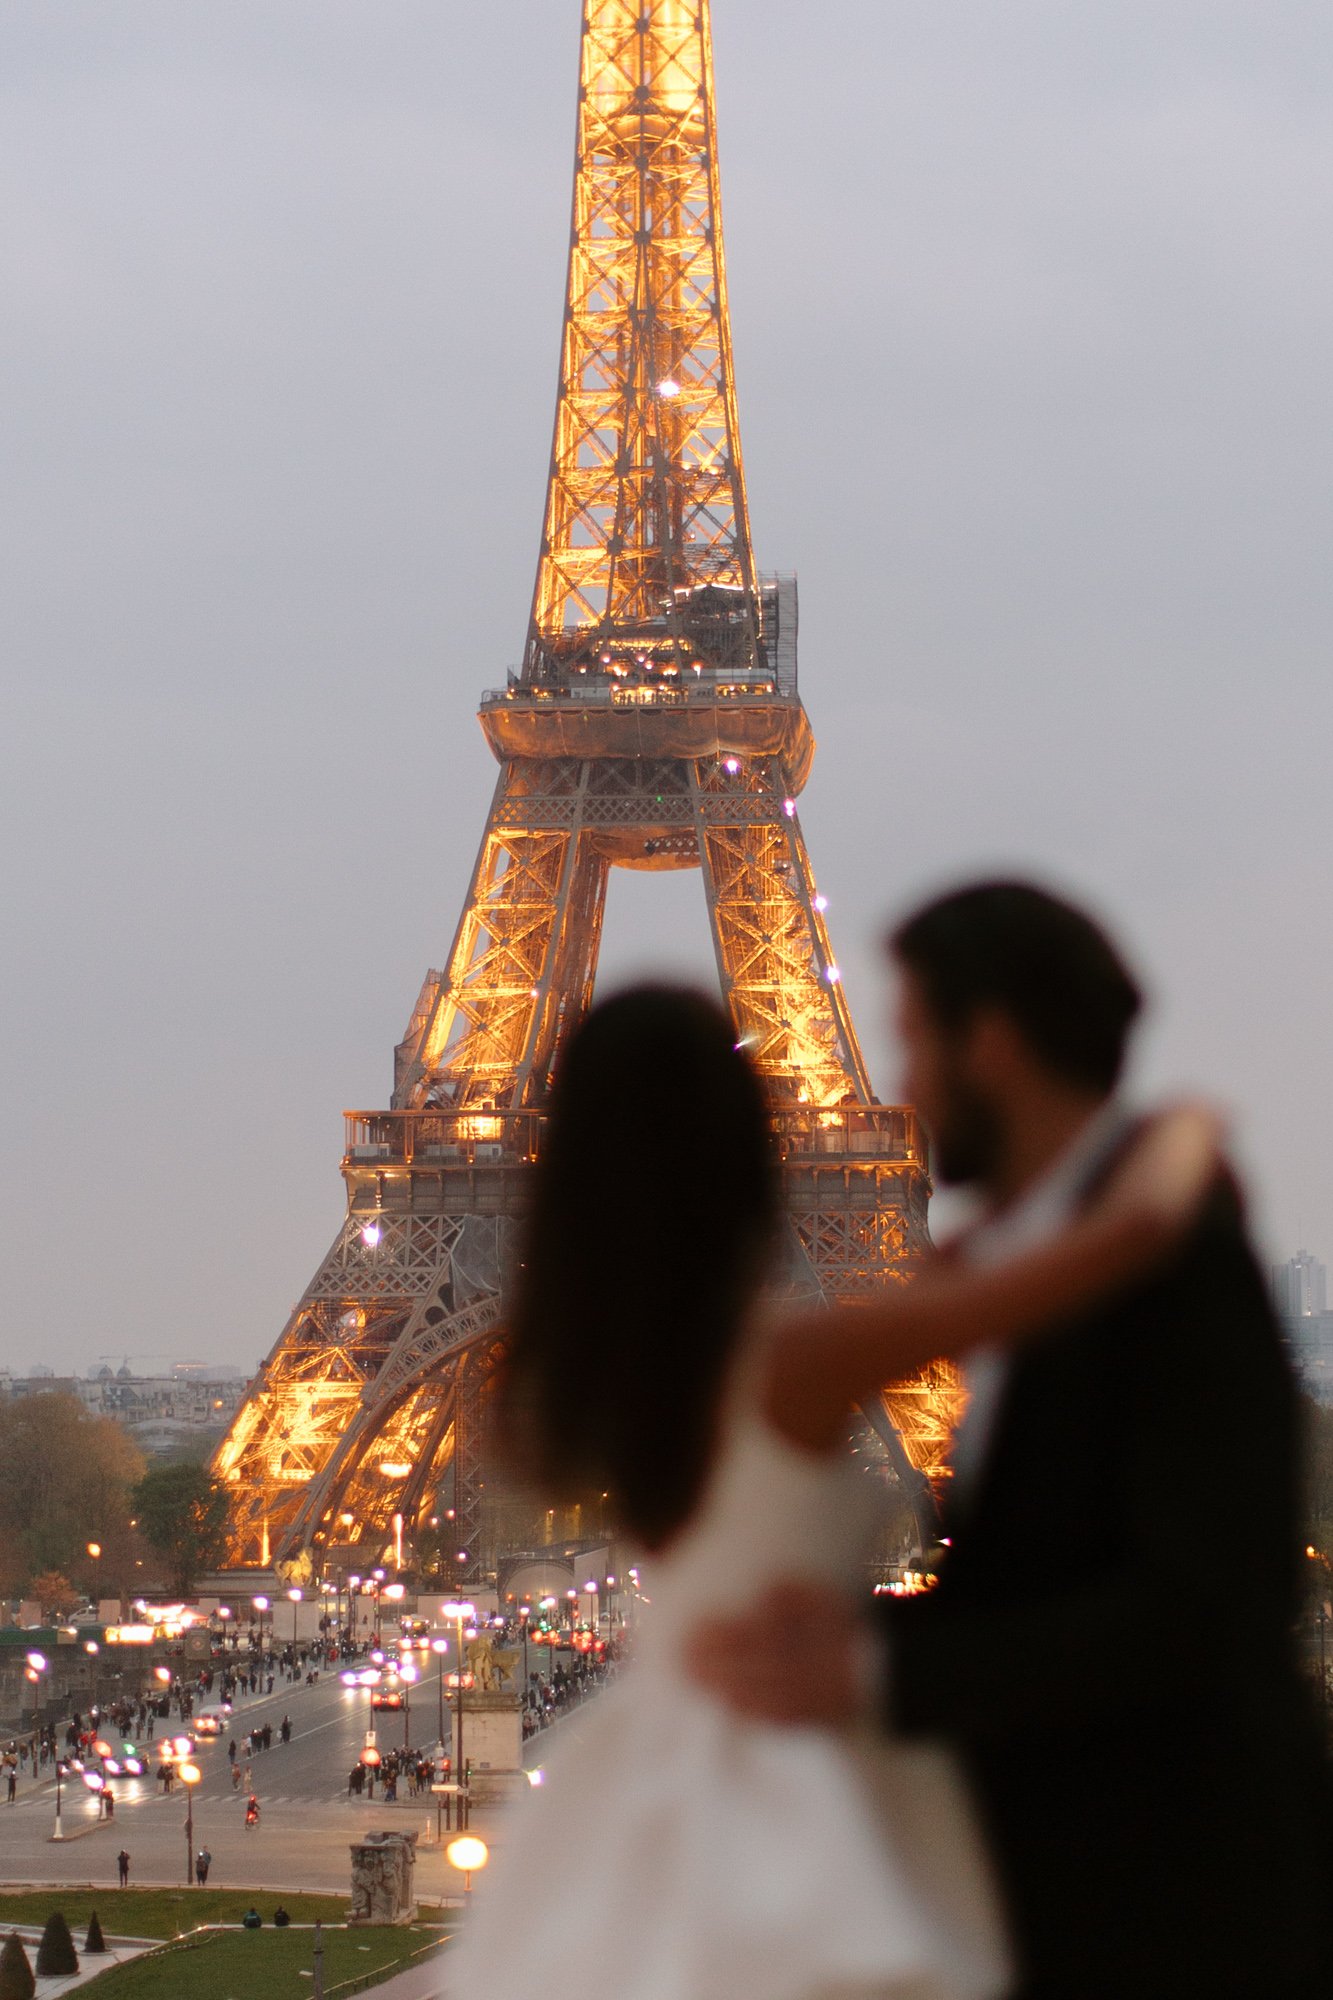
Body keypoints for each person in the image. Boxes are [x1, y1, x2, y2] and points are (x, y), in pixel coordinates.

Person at [448, 983, 1221, 2000]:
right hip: (801, 1752)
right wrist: (1183, 1136)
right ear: (745, 1150)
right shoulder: (794, 1361)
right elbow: (1113, 1246)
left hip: (647, 1755)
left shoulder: (570, 1391)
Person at [693, 881, 1333, 1999]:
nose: (898, 1091)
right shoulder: (1059, 1256)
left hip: (1177, 1904)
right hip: (1118, 1890)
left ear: (988, 1042)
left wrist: (877, 1663)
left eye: (910, 1044)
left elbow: (1196, 1599)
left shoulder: (1170, 1260)